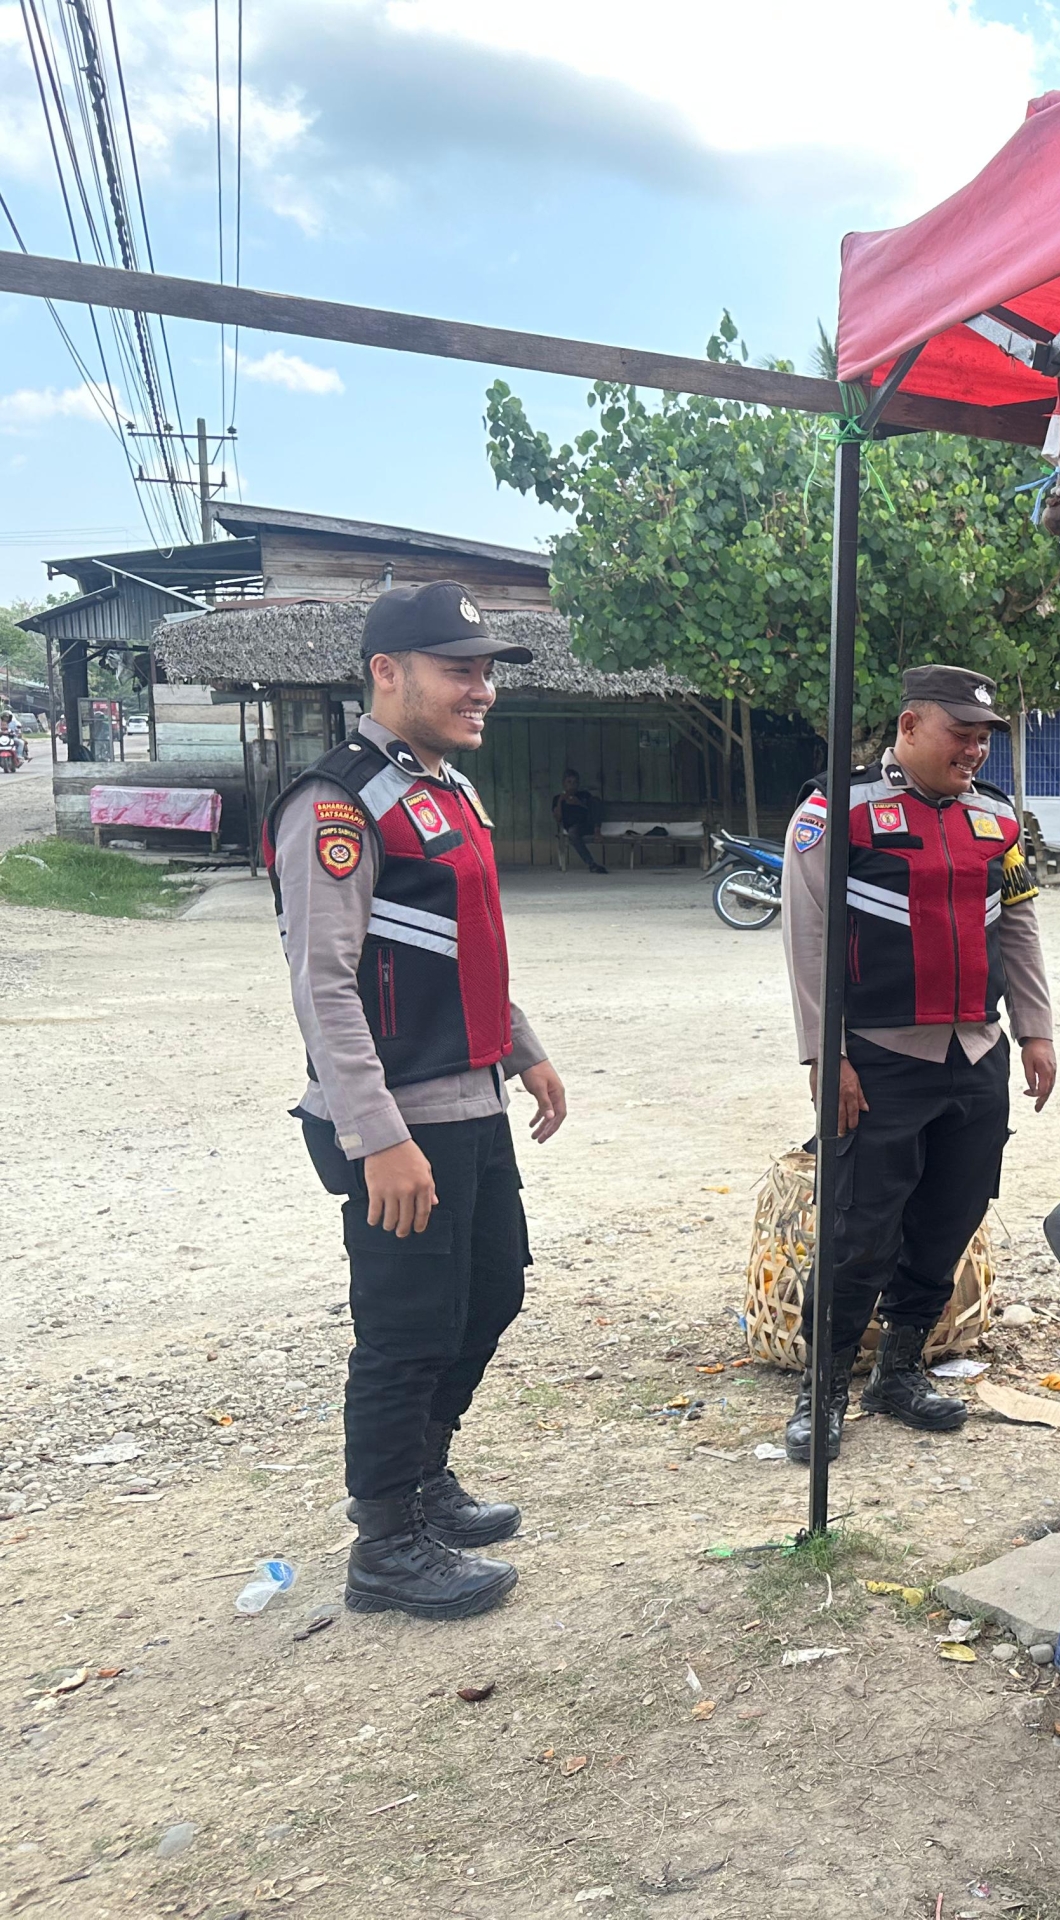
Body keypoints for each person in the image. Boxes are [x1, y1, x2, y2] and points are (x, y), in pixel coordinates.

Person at [264, 581, 570, 1621]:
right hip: (398, 1122)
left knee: (492, 1294)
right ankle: (385, 1541)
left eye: (486, 671)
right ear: (385, 673)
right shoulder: (337, 804)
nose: (480, 689)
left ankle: (424, 1475)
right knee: (407, 1329)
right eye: (458, 670)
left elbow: (470, 944)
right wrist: (375, 1136)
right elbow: (324, 984)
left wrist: (524, 1050)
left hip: (470, 1100)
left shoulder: (442, 788)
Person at [780, 665, 1058, 1458]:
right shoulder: (839, 812)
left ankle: (898, 1368)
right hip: (879, 1058)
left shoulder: (997, 822)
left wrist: (1034, 1031)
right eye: (960, 734)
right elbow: (808, 938)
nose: (975, 750)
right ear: (909, 727)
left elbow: (1020, 926)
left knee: (950, 1215)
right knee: (861, 1224)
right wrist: (823, 1054)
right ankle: (823, 1386)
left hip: (976, 1053)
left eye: (982, 739)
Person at [552, 769, 607, 873]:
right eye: (569, 782)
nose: (572, 785)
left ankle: (597, 832)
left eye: (574, 782)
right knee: (572, 832)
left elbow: (594, 810)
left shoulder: (584, 795)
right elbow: (558, 818)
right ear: (564, 783)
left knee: (595, 799)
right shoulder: (557, 798)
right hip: (574, 827)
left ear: (578, 784)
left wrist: (579, 803)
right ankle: (591, 864)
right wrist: (560, 800)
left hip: (588, 824)